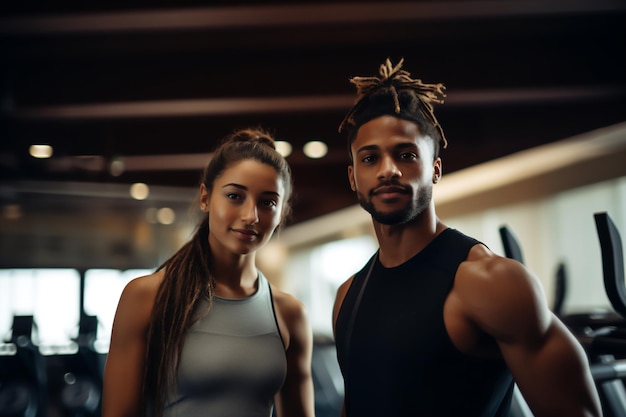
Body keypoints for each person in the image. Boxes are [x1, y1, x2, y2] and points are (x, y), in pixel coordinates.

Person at [332, 58, 603, 417]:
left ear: (435, 169)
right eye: (370, 159)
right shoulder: (348, 295)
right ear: (353, 178)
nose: (388, 170)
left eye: (406, 154)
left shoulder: (491, 282)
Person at [102, 128, 315, 417]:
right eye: (235, 196)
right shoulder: (147, 296)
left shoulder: (290, 314)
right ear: (205, 198)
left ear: (281, 213)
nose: (251, 215)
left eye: (267, 202)